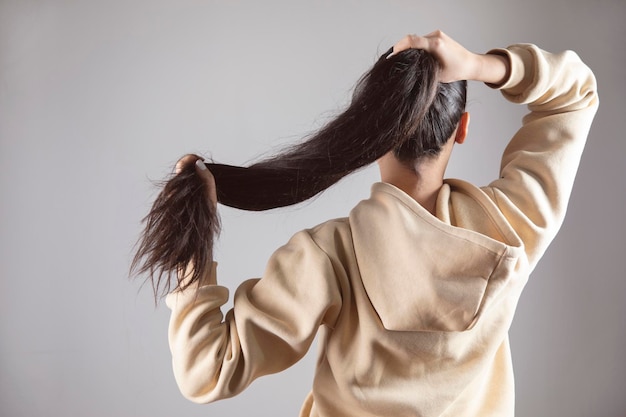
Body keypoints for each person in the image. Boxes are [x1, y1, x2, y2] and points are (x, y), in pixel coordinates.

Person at [132, 31, 598, 416]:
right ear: (463, 128)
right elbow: (575, 95)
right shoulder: (510, 228)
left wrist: (190, 250)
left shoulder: (328, 255)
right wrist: (479, 65)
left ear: (372, 136)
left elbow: (205, 371)